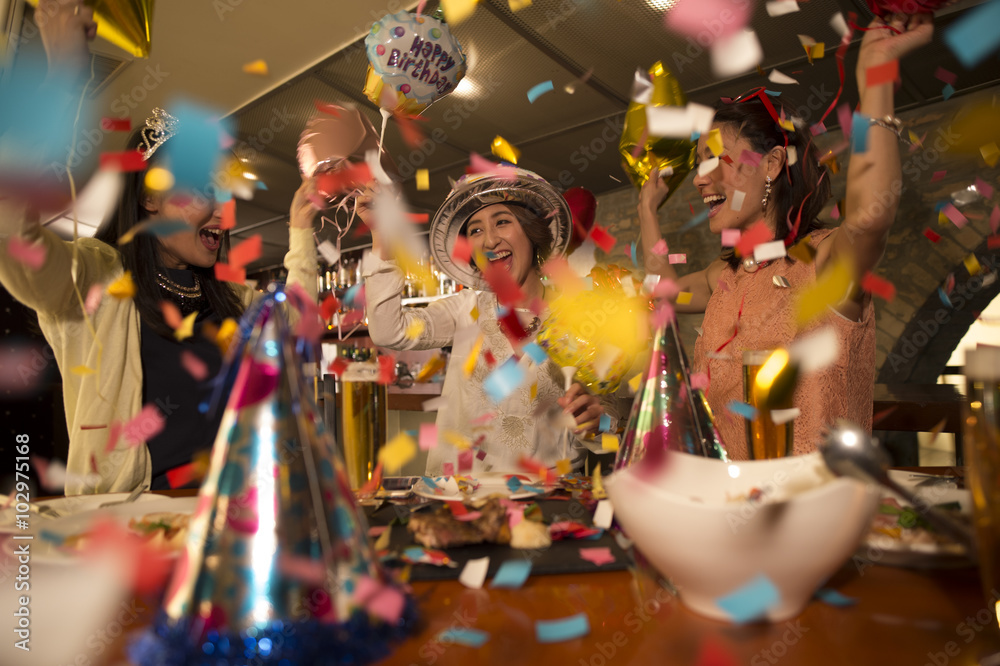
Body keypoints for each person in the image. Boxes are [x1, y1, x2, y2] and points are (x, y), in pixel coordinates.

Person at [0, 0, 319, 494]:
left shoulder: (230, 301)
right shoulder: (98, 282)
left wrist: (300, 227)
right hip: (133, 534)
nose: (220, 211)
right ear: (149, 196)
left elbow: (299, 329)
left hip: (230, 522)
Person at [637, 14, 933, 460]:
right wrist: (646, 210)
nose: (701, 179)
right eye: (699, 164)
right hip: (724, 510)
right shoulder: (726, 275)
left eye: (715, 158)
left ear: (772, 165)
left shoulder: (827, 260)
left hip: (813, 517)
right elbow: (661, 291)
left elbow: (871, 218)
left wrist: (875, 78)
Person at [363, 168, 623, 474]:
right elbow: (387, 330)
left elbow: (610, 431)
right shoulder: (465, 310)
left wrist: (596, 423)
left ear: (532, 232)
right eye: (475, 230)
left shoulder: (579, 318)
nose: (489, 240)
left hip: (544, 506)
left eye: (502, 221)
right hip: (461, 502)